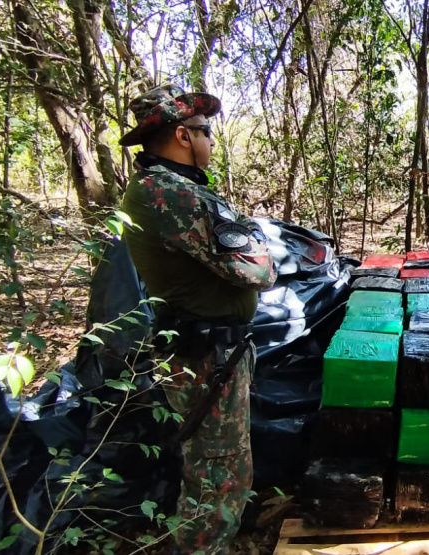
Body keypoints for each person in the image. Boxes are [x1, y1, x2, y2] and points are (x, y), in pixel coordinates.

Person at [119, 84, 277, 553]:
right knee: (218, 475)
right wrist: (254, 242)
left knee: (216, 466)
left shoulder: (163, 189)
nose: (211, 140)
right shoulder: (168, 193)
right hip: (205, 354)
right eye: (205, 131)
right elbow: (257, 268)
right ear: (182, 137)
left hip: (209, 348)